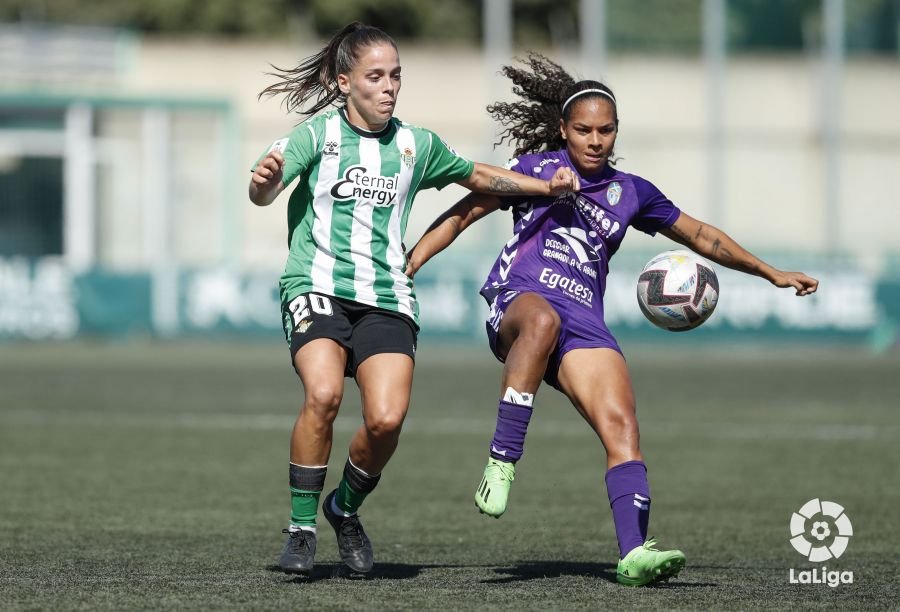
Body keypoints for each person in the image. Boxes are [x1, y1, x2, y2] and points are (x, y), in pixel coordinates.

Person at [405, 53, 819, 587]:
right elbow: (463, 212)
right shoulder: (535, 168)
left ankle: (634, 552)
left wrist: (770, 272)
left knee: (622, 426)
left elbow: (702, 236)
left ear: (616, 131)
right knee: (542, 323)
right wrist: (412, 262)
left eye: (605, 130)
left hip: (585, 320)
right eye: (583, 130)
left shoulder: (633, 194)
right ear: (563, 129)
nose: (594, 140)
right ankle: (502, 459)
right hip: (520, 298)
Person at [249, 27, 578, 576]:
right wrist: (263, 183)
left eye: (395, 75)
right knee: (325, 393)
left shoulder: (415, 145)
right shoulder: (315, 135)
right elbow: (264, 188)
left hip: (386, 295)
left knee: (386, 420)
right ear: (343, 81)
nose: (389, 87)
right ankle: (301, 528)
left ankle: (344, 509)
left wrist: (545, 187)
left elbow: (475, 174)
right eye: (375, 77)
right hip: (315, 284)